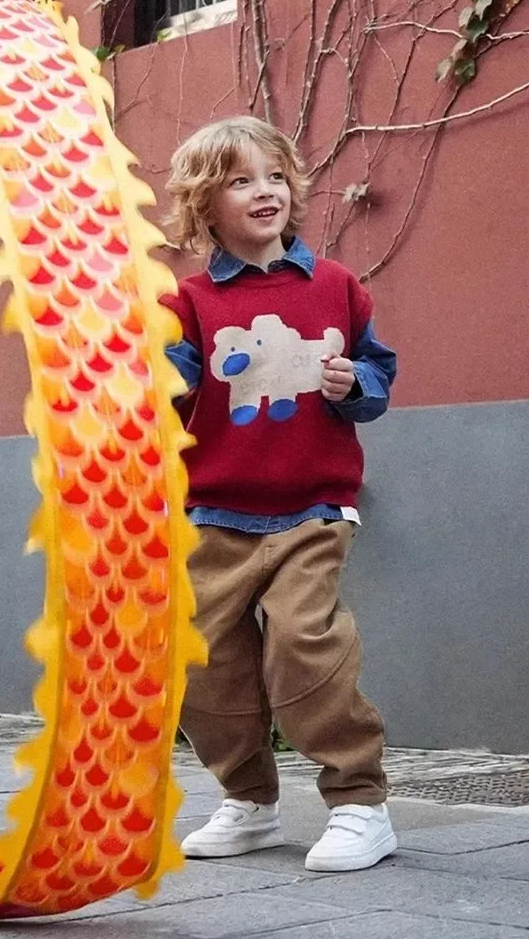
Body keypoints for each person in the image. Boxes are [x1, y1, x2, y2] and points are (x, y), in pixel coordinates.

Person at [160, 115, 398, 872]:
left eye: (273, 176)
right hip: (215, 512)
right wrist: (156, 376)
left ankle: (360, 803)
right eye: (240, 180)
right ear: (206, 205)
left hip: (313, 506)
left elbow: (378, 374)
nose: (264, 191)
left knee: (304, 644)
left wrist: (353, 383)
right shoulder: (189, 302)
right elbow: (163, 392)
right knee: (205, 660)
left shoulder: (336, 287)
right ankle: (250, 801)